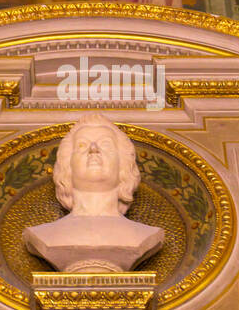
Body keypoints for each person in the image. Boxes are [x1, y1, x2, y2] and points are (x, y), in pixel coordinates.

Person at [22, 113, 164, 272]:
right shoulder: (43, 235)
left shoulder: (145, 235)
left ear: (123, 164)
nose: (94, 149)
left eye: (106, 145)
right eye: (82, 145)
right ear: (67, 165)